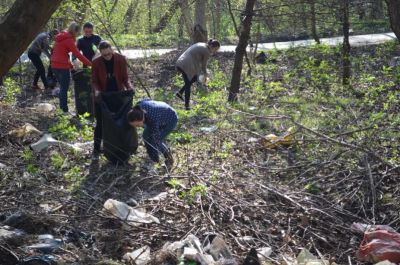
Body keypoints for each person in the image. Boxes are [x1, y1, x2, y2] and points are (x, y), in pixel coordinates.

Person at [91, 41, 133, 160]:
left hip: (117, 95)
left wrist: (129, 87)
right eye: (104, 55)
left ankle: (122, 147)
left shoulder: (120, 59)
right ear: (100, 53)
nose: (107, 57)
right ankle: (96, 150)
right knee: (100, 124)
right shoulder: (96, 62)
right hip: (102, 97)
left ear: (112, 50)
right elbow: (94, 81)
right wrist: (97, 91)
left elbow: (125, 78)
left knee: (120, 121)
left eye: (109, 54)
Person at [51, 22, 92, 113]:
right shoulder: (69, 40)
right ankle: (64, 110)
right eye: (78, 32)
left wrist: (71, 65)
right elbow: (78, 54)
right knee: (64, 88)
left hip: (54, 65)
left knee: (62, 87)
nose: (79, 34)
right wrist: (91, 64)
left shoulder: (61, 37)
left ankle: (62, 108)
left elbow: (60, 53)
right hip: (62, 67)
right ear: (75, 31)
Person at [127, 99, 177, 171]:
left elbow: (155, 138)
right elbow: (147, 99)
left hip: (170, 118)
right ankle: (151, 156)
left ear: (140, 119)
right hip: (159, 115)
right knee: (145, 136)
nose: (137, 127)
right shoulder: (137, 109)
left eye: (137, 125)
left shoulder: (152, 119)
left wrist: (155, 160)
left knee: (156, 140)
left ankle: (168, 158)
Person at [175, 39, 220, 110]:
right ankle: (187, 107)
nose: (215, 51)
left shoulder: (202, 44)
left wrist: (203, 74)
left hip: (181, 62)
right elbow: (203, 66)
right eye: (215, 49)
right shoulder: (206, 51)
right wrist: (206, 75)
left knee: (194, 78)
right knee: (188, 84)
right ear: (211, 46)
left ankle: (180, 93)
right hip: (185, 65)